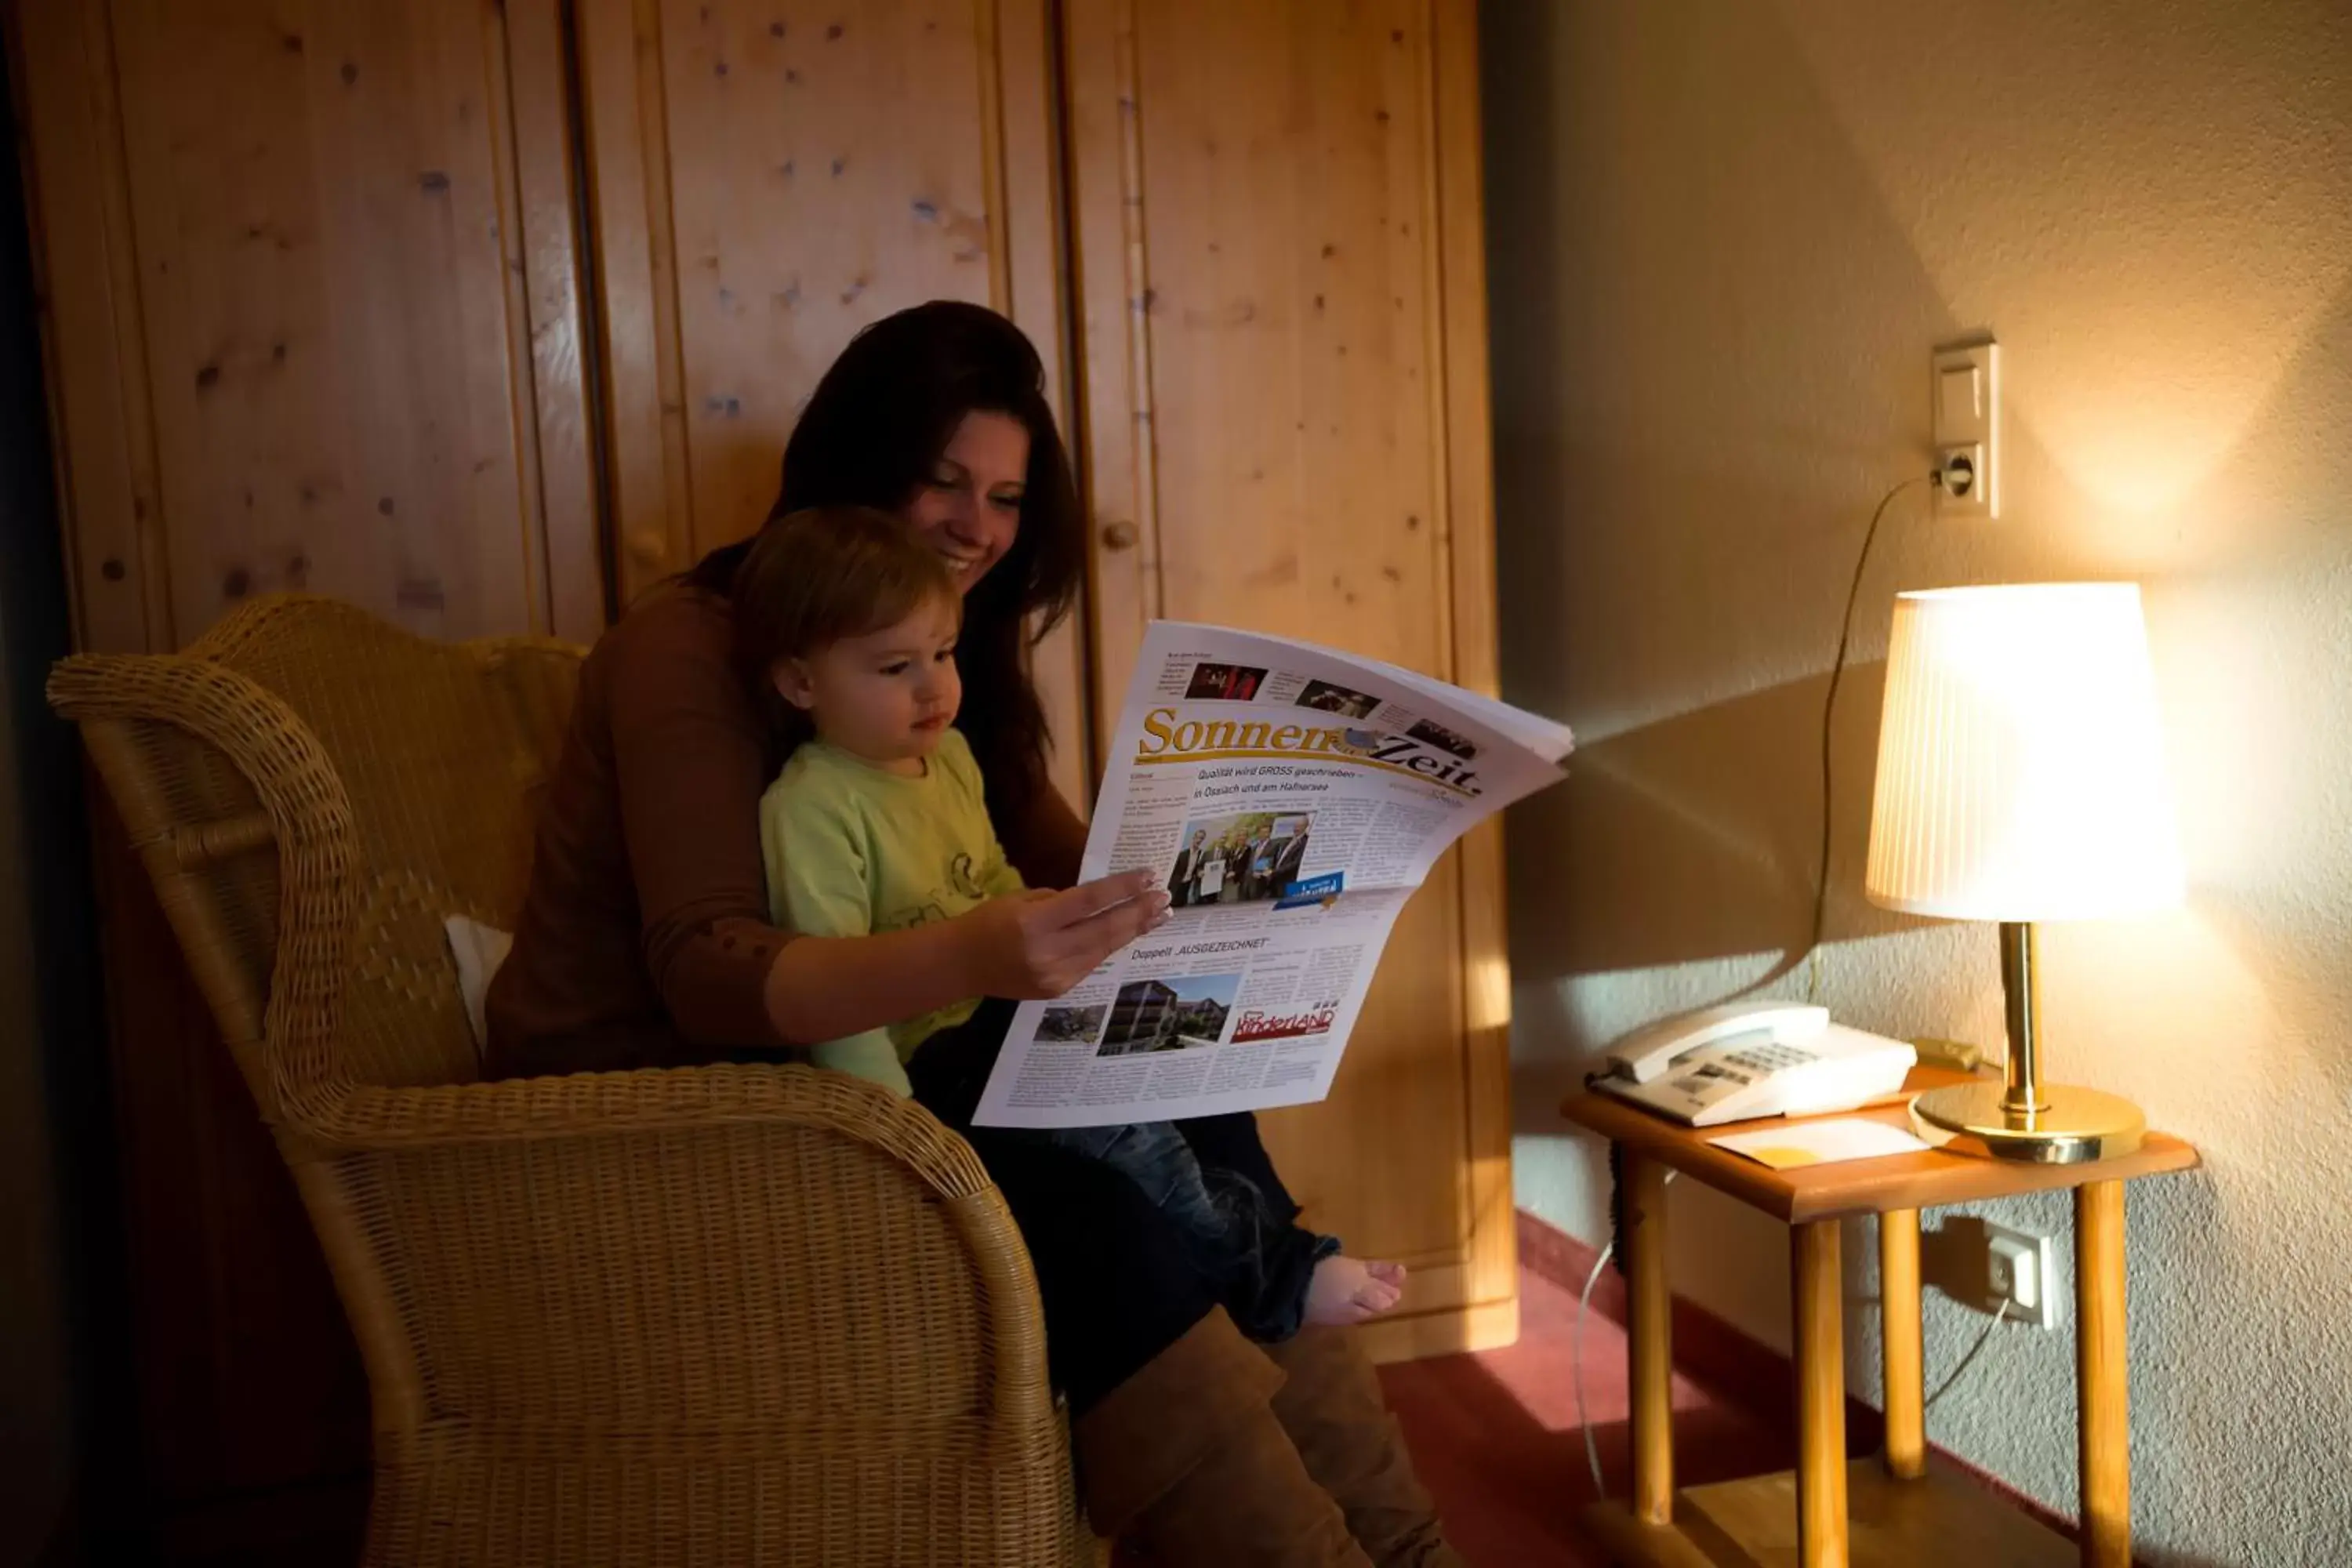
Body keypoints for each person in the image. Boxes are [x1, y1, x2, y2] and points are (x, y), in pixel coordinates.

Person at [484, 299, 1461, 1566]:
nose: (977, 528)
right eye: (942, 482)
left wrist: (1269, 884)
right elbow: (704, 973)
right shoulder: (692, 647)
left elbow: (1057, 866)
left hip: (907, 1049)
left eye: (1004, 498)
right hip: (684, 1099)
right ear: (851, 462)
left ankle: (1411, 1549)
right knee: (1102, 1224)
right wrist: (978, 954)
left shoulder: (947, 648)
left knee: (1194, 1089)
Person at [735, 503, 1402, 1338]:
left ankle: (1281, 1246)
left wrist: (1077, 940)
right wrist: (902, 1144)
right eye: (895, 665)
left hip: (1006, 1010)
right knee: (1115, 1127)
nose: (934, 686)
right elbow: (837, 997)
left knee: (1187, 1046)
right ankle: (1274, 1280)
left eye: (943, 653)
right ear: (801, 683)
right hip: (936, 1065)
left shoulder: (949, 758)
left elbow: (998, 887)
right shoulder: (812, 806)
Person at [1169, 829, 1210, 909]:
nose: (1199, 840)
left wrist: (1199, 873)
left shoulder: (1201, 854)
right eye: (1198, 837)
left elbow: (1198, 869)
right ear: (1193, 838)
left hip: (1187, 886)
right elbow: (1174, 872)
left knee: (1183, 906)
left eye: (1201, 838)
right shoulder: (1182, 854)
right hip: (1177, 886)